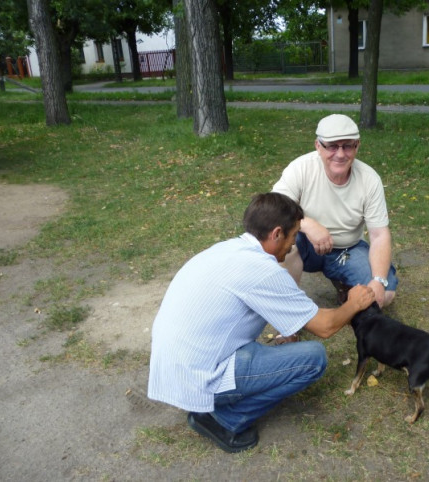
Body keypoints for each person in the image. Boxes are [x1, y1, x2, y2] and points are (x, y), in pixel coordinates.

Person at [147, 192, 375, 453]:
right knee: (313, 358)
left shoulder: (226, 249)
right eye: (293, 235)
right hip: (198, 377)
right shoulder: (263, 271)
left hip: (171, 368)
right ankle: (223, 419)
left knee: (256, 350)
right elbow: (325, 326)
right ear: (277, 233)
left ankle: (211, 400)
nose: (294, 244)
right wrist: (354, 304)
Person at [272, 114, 398, 308]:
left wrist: (379, 281)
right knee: (281, 239)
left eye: (347, 146)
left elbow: (379, 235)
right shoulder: (300, 168)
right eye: (332, 146)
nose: (340, 154)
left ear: (357, 146)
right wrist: (307, 224)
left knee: (386, 293)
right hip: (305, 242)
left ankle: (345, 283)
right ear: (318, 145)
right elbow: (274, 208)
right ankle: (288, 306)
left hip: (347, 249)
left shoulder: (369, 179)